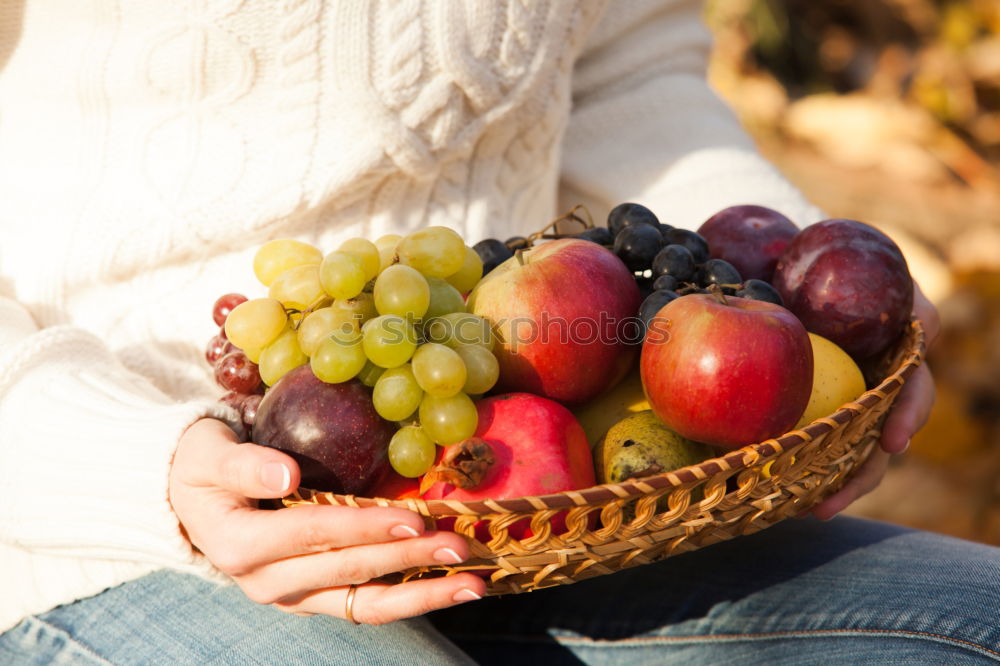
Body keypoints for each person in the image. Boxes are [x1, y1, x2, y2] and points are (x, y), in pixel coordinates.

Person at [0, 0, 996, 663]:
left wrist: (788, 293)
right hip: (100, 526)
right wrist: (125, 464)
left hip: (525, 505)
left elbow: (620, 69)